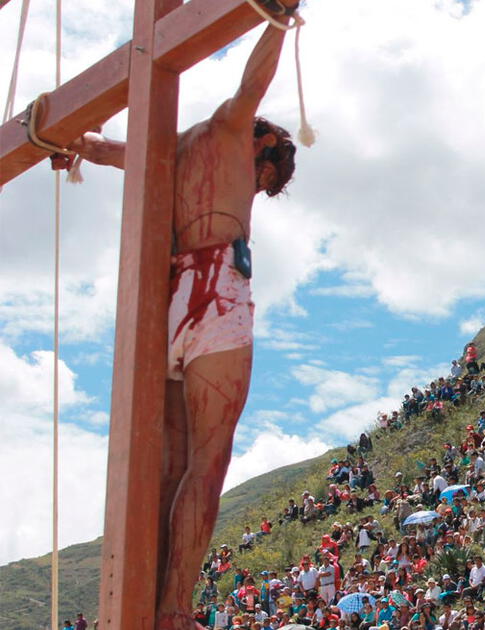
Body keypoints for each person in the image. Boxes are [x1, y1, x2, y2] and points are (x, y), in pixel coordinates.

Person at [53, 2, 302, 624]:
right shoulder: (230, 127)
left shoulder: (169, 143)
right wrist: (278, 18)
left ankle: (149, 602)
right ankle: (172, 609)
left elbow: (105, 148)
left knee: (167, 469)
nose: (259, 189)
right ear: (264, 147)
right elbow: (256, 82)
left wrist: (64, 141)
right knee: (208, 461)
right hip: (218, 288)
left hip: (161, 299)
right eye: (266, 177)